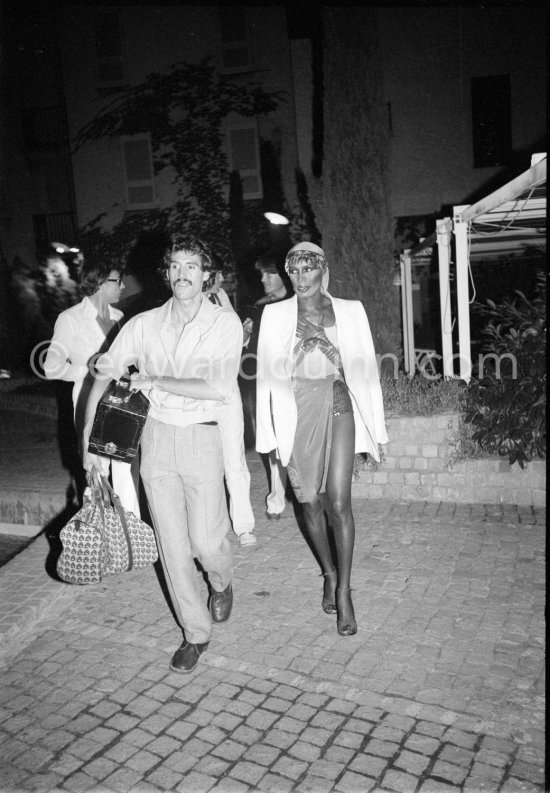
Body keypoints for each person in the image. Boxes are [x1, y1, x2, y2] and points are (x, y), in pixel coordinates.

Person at [82, 233, 242, 673]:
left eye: (192, 265)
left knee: (207, 543)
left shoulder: (224, 324)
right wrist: (89, 446)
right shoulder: (143, 324)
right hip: (155, 440)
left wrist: (154, 381)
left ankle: (222, 580)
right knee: (172, 546)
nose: (182, 273)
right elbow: (103, 376)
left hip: (201, 436)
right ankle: (195, 634)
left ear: (206, 275)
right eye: (175, 265)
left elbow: (217, 387)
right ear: (167, 273)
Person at [255, 241, 388, 636]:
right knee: (309, 503)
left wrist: (378, 429)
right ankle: (328, 572)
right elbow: (267, 374)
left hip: (337, 399)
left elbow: (364, 369)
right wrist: (269, 434)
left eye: (308, 269)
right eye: (293, 270)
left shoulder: (349, 310)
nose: (301, 278)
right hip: (296, 409)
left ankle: (345, 592)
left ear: (322, 270)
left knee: (339, 501)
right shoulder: (275, 315)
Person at [43, 258, 140, 514]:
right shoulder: (71, 318)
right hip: (89, 399)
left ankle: (130, 534)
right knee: (96, 469)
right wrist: (89, 372)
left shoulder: (120, 318)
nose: (122, 286)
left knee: (124, 468)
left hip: (120, 401)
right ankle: (101, 537)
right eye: (117, 281)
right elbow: (50, 366)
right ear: (99, 283)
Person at [203, 268, 257, 548]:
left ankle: (244, 525)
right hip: (198, 391)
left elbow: (235, 345)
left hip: (228, 389)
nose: (223, 280)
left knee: (235, 459)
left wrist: (244, 333)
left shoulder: (222, 297)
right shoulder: (190, 303)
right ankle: (210, 526)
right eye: (218, 275)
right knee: (205, 463)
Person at [240, 249, 293, 520]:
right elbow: (247, 345)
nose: (263, 279)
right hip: (264, 380)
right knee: (272, 436)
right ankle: (276, 496)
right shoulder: (257, 306)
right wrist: (245, 335)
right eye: (261, 273)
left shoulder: (297, 303)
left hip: (294, 379)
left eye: (269, 273)